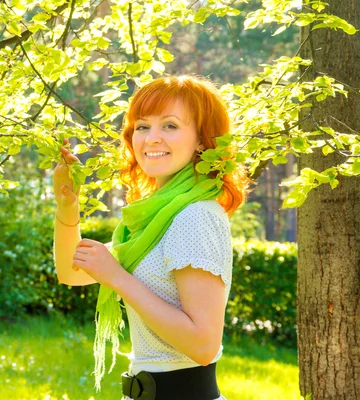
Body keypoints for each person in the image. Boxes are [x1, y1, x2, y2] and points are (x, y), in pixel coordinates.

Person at [52, 75, 253, 400]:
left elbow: (203, 345)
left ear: (202, 139)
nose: (151, 138)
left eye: (170, 126)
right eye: (142, 127)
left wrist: (117, 277)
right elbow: (71, 272)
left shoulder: (195, 215)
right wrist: (67, 206)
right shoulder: (151, 218)